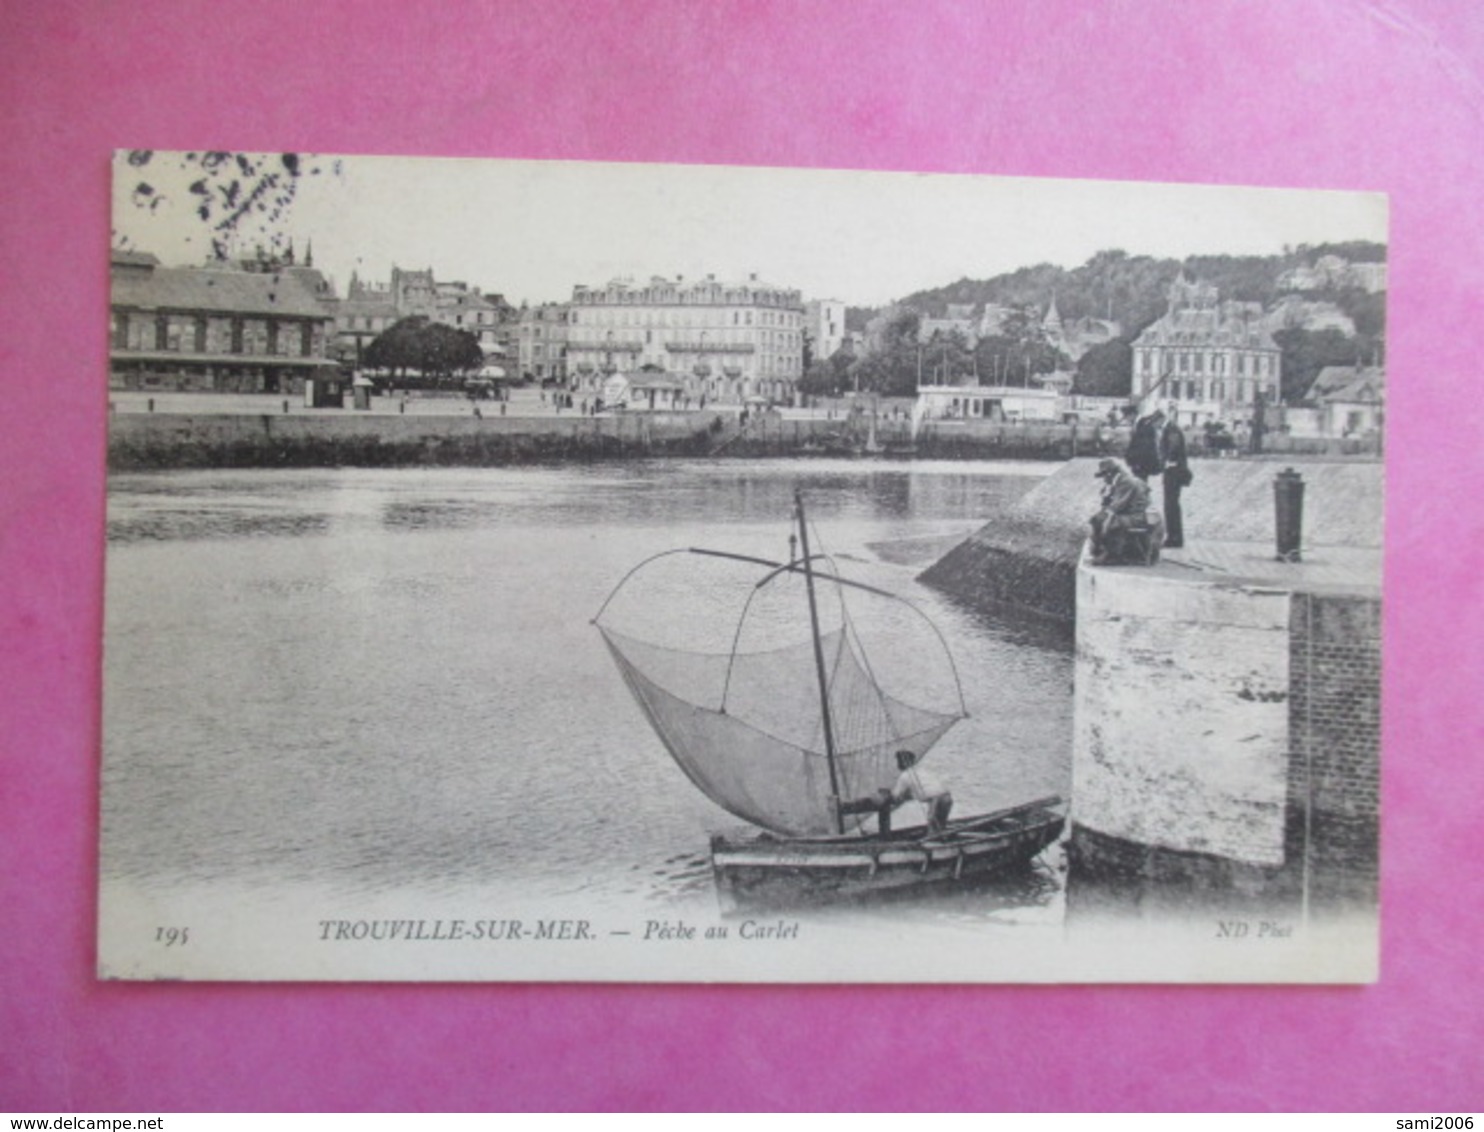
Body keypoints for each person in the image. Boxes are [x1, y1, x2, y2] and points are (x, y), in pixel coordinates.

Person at [1089, 456, 1152, 564]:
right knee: (1096, 519)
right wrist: (1106, 495)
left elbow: (1117, 506)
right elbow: (1110, 504)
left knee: (1111, 522)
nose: (1103, 479)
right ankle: (1100, 549)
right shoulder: (1120, 480)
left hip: (1137, 516)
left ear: (1110, 473)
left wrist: (1105, 518)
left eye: (1104, 475)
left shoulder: (1125, 482)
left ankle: (1113, 555)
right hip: (1131, 514)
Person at [888, 749, 953, 834]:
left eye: (899, 761)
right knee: (940, 824)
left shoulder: (905, 775)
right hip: (947, 797)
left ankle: (933, 842)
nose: (898, 764)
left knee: (932, 826)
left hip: (935, 799)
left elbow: (895, 795)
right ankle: (941, 838)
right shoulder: (923, 770)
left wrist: (890, 801)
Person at [1160, 404, 1191, 549]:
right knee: (1171, 504)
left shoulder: (1172, 429)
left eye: (1170, 413)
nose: (1169, 415)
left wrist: (1166, 461)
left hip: (1173, 470)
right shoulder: (1172, 429)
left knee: (1171, 504)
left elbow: (1173, 447)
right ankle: (1174, 536)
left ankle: (1174, 537)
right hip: (1175, 470)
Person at [1126, 408, 1164, 481]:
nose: (1127, 420)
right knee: (1139, 483)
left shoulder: (1144, 424)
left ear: (1132, 414)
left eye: (1127, 417)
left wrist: (1138, 462)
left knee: (1141, 483)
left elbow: (1144, 445)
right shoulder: (1139, 423)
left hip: (1141, 463)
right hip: (1138, 462)